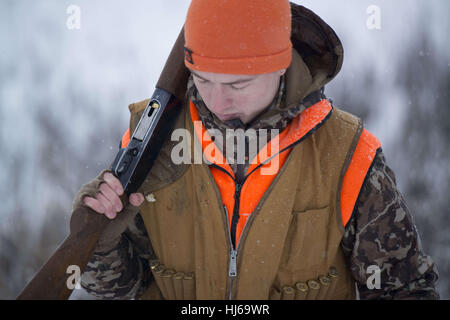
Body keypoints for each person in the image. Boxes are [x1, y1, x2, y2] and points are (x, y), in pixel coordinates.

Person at [75, 0, 439, 300]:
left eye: (238, 84)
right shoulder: (150, 142)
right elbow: (127, 289)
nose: (217, 101)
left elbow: (403, 289)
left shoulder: (349, 157)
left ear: (280, 66)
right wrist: (98, 243)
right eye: (201, 80)